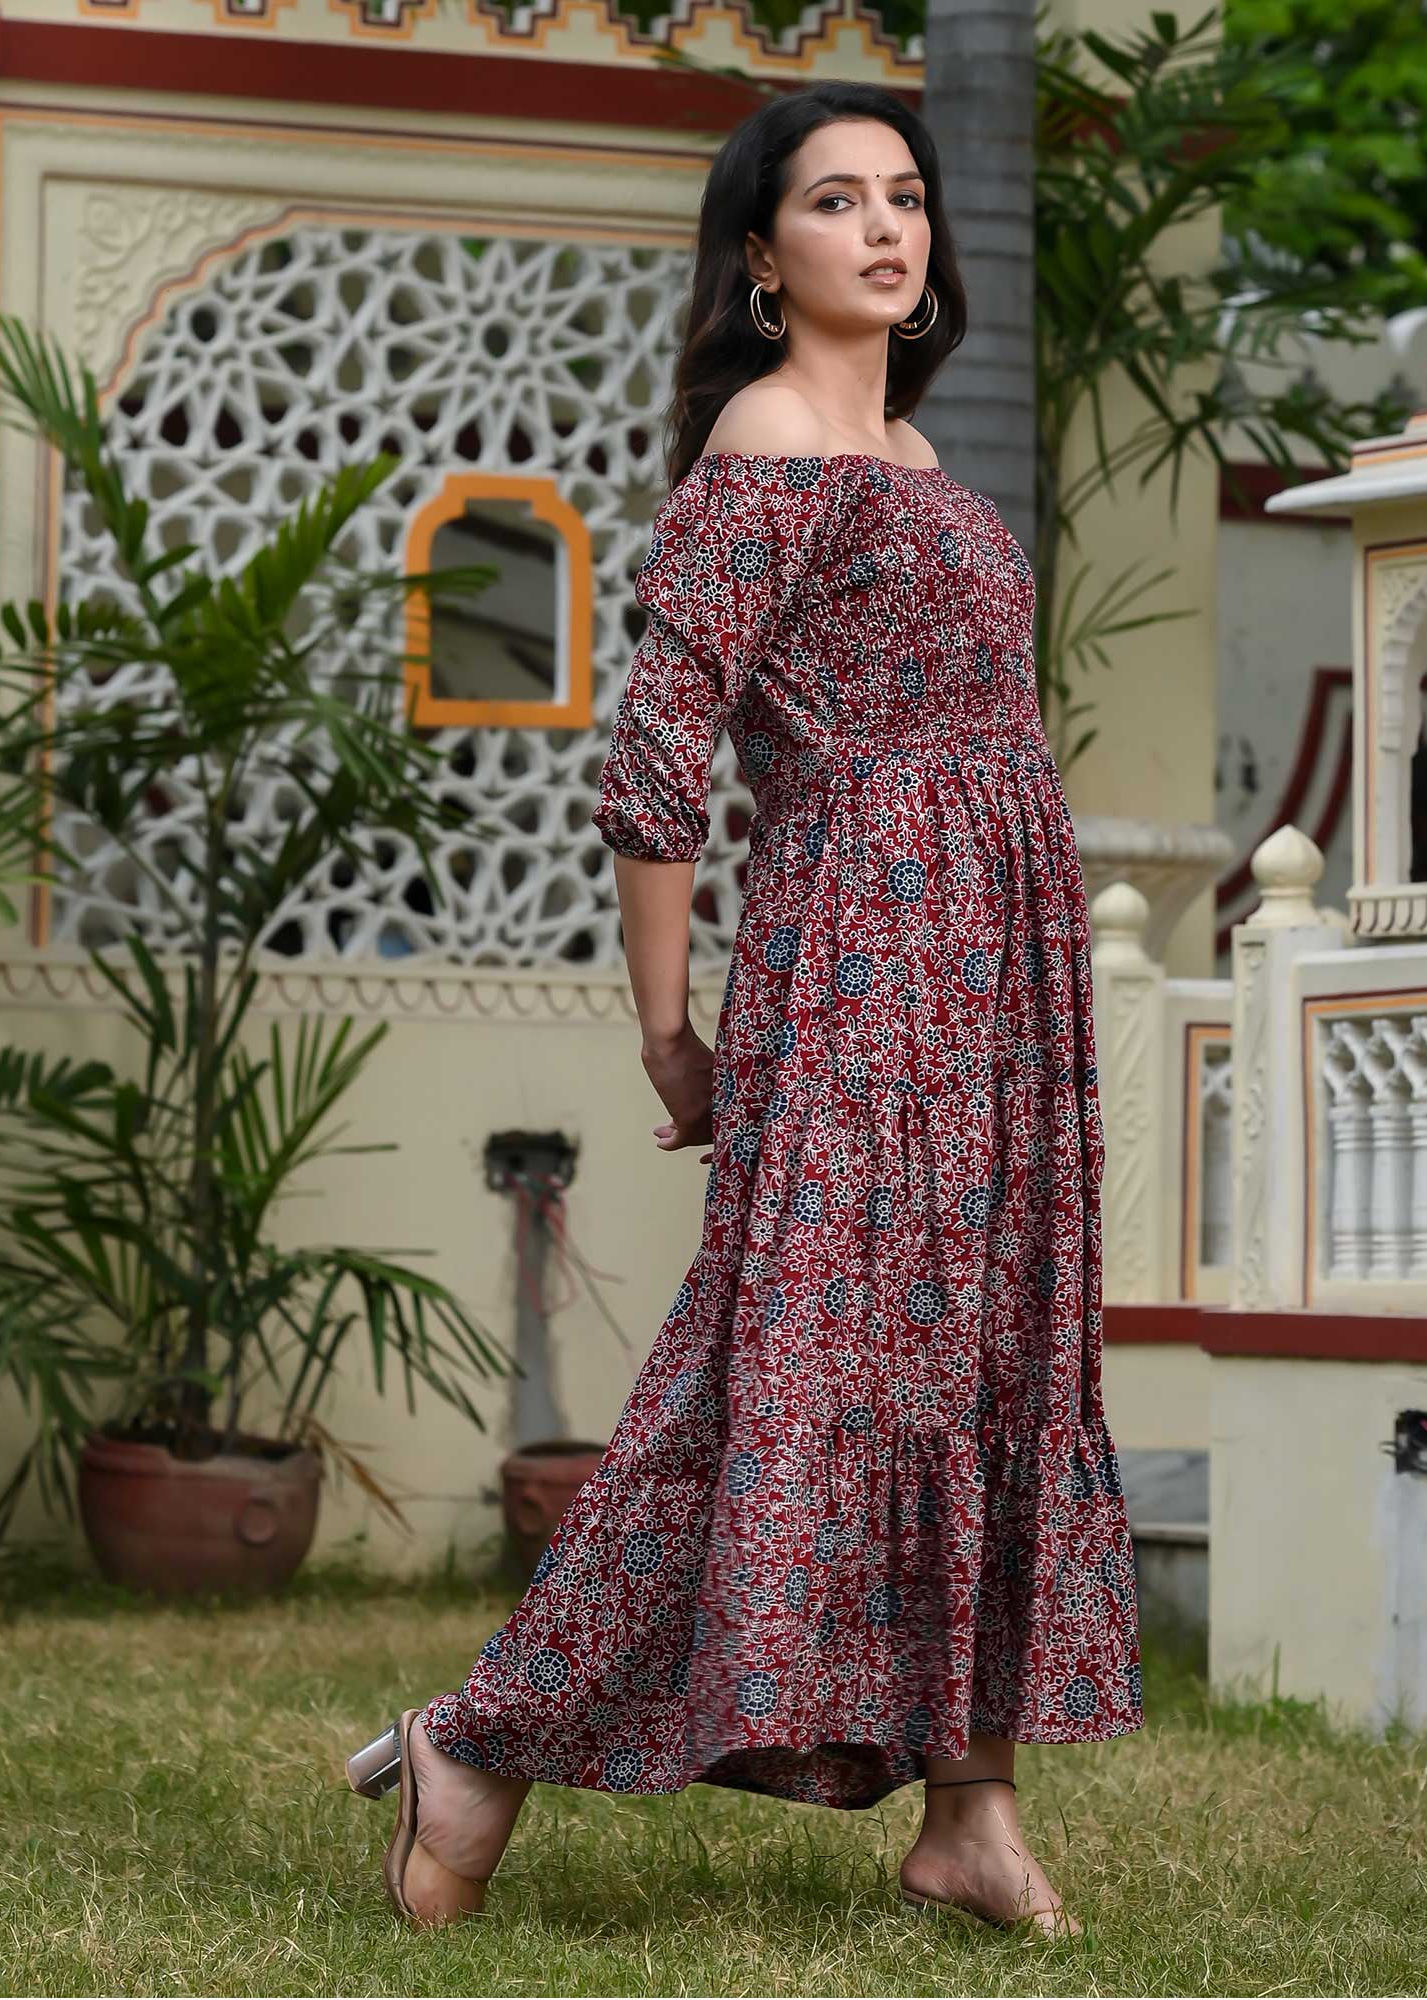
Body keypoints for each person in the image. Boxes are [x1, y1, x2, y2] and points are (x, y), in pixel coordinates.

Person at [347, 78, 1144, 1941]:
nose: (886, 227)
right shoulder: (766, 445)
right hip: (860, 966)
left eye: (905, 199)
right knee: (776, 1378)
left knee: (981, 1358)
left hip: (994, 976)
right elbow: (655, 764)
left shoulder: (925, 467)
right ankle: (475, 1745)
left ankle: (969, 1808)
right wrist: (667, 1032)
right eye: (835, 202)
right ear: (763, 258)